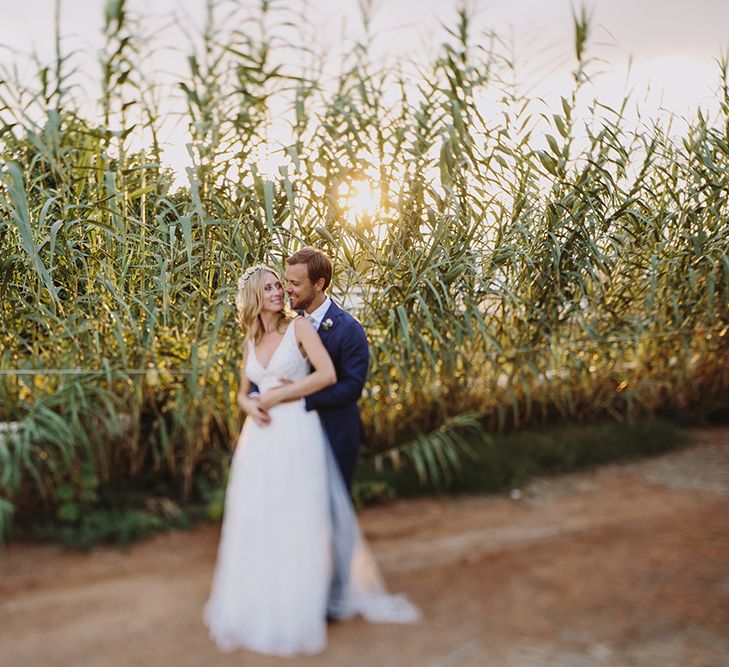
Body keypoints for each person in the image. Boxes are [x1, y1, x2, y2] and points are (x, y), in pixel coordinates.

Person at [203, 264, 419, 657]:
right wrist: (252, 407)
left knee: (300, 516)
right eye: (270, 287)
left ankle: (314, 599)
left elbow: (328, 376)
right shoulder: (249, 339)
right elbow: (243, 392)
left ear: (316, 284)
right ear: (253, 296)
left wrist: (281, 397)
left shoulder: (300, 328)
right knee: (260, 517)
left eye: (281, 285)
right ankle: (267, 595)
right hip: (260, 439)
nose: (279, 292)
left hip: (296, 431)